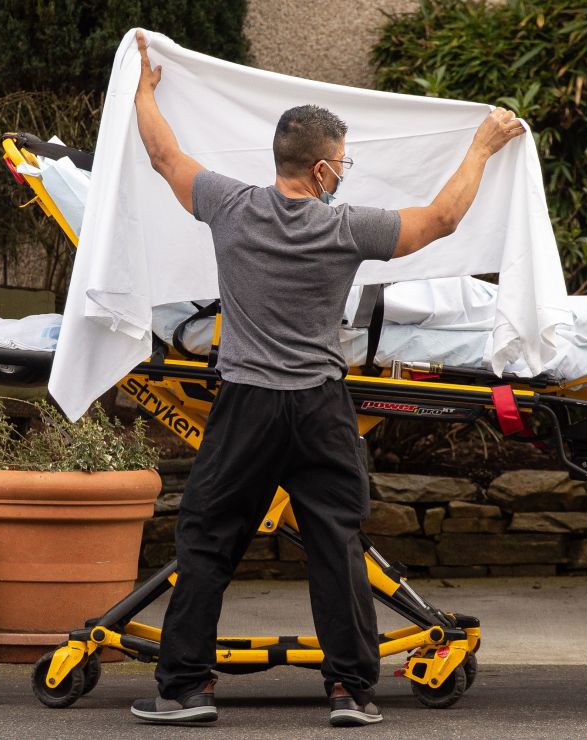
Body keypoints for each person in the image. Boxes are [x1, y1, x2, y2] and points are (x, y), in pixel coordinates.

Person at [127, 31, 524, 727]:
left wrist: (145, 87)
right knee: (335, 545)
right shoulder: (346, 230)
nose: (345, 171)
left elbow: (161, 153)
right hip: (318, 407)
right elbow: (443, 219)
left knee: (208, 539)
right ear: (317, 170)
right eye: (341, 162)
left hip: (246, 403)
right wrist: (483, 147)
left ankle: (185, 689)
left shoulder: (229, 204)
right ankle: (349, 692)